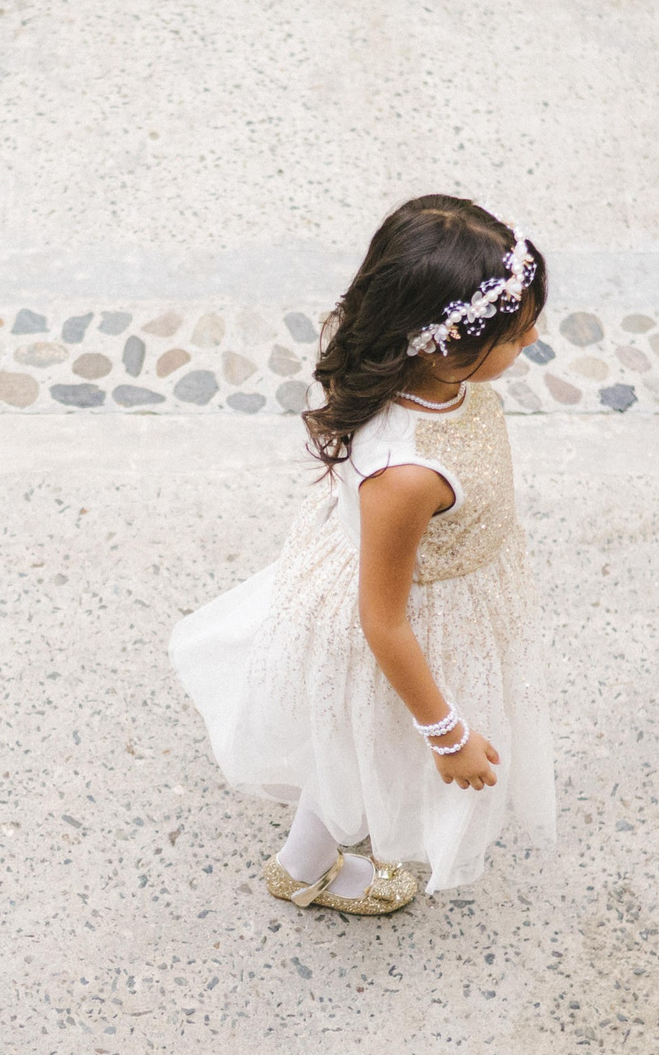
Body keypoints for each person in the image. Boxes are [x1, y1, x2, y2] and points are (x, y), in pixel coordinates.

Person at [169, 195, 555, 914]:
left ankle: (312, 856)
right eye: (517, 332)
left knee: (352, 751)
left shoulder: (429, 380)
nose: (531, 342)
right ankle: (301, 866)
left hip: (438, 584)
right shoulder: (405, 476)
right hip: (405, 621)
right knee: (356, 753)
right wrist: (446, 732)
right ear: (443, 341)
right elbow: (383, 622)